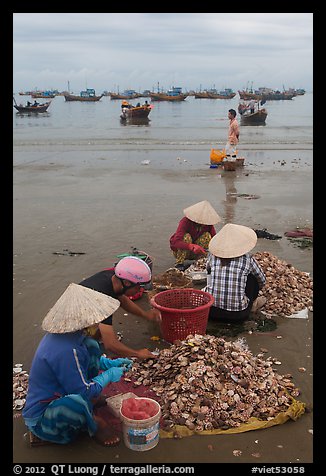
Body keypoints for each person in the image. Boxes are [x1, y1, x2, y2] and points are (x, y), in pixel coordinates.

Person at [22, 283, 133, 447]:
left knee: (92, 346)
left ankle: (92, 401)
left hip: (62, 390)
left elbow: (84, 357)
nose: (99, 324)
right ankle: (95, 425)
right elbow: (81, 392)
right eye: (96, 321)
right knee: (77, 402)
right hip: (44, 416)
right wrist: (108, 376)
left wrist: (108, 364)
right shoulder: (66, 350)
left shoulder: (75, 337)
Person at [79, 256, 161, 360]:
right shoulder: (104, 299)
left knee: (101, 328)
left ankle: (94, 338)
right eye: (139, 287)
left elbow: (122, 300)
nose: (140, 291)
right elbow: (110, 345)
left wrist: (145, 315)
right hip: (72, 325)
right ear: (127, 283)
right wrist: (137, 353)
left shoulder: (112, 277)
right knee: (93, 347)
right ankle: (86, 342)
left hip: (86, 306)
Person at [206, 223, 266, 323]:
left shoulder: (212, 256)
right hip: (238, 316)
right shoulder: (248, 259)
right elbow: (262, 280)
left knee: (211, 274)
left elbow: (208, 270)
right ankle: (253, 305)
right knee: (252, 278)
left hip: (212, 312)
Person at [169, 200, 221, 272]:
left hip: (197, 252)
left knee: (207, 236)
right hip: (181, 252)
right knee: (186, 237)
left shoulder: (208, 225)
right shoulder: (185, 221)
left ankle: (200, 261)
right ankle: (179, 264)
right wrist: (191, 246)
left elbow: (214, 239)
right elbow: (176, 242)